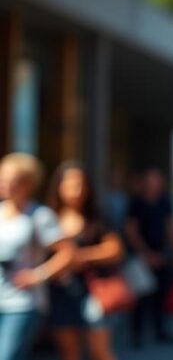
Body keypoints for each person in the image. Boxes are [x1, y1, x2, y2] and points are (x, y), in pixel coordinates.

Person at [46, 162, 125, 360]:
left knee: (99, 350)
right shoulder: (48, 218)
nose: (76, 190)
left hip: (92, 290)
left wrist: (79, 256)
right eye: (71, 184)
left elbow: (114, 250)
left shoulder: (97, 217)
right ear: (59, 187)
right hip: (61, 291)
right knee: (69, 352)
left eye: (81, 184)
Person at [0, 153, 73, 360]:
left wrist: (38, 275)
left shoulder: (39, 215)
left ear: (26, 183)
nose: (3, 183)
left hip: (22, 302)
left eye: (10, 178)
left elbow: (67, 252)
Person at [123, 168, 173, 346]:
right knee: (140, 297)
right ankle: (137, 335)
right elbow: (131, 230)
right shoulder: (136, 203)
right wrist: (145, 254)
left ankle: (159, 330)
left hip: (161, 254)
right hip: (141, 256)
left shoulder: (164, 201)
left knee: (161, 294)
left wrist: (168, 251)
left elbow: (170, 227)